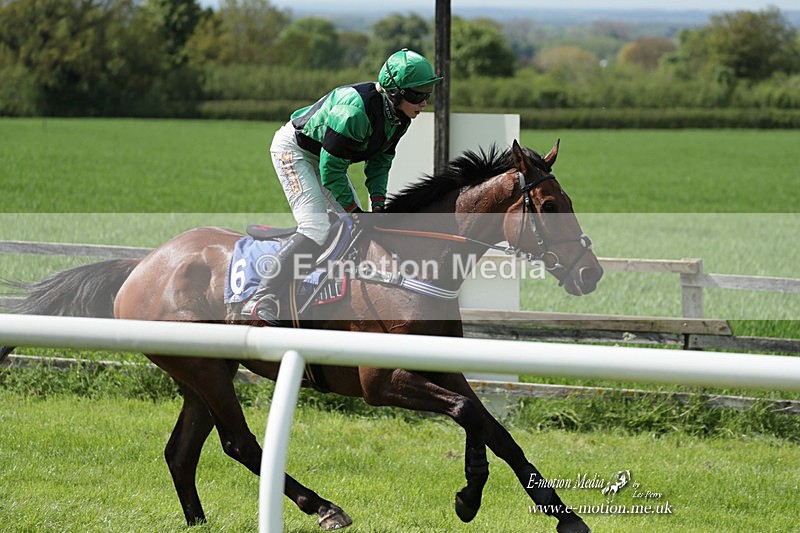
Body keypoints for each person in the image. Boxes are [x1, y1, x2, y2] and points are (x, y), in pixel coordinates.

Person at [242, 48, 443, 324]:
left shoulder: (400, 117)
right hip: (295, 152)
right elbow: (331, 171)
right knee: (316, 226)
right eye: (417, 96)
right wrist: (354, 210)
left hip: (326, 157)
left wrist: (379, 204)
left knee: (354, 227)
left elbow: (380, 163)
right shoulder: (354, 112)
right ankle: (260, 297)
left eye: (426, 96)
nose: (423, 103)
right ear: (394, 92)